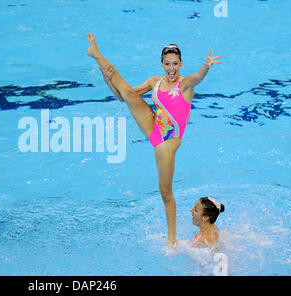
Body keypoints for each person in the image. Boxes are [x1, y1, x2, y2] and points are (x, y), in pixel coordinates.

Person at [86, 33, 222, 248]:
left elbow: (198, 77)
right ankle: (97, 55)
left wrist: (206, 67)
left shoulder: (185, 85)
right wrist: (107, 79)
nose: (171, 68)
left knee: (166, 193)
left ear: (180, 64)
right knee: (130, 93)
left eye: (175, 64)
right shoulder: (154, 82)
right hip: (154, 128)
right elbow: (123, 96)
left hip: (167, 144)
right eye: (167, 64)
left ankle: (171, 240)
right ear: (161, 64)